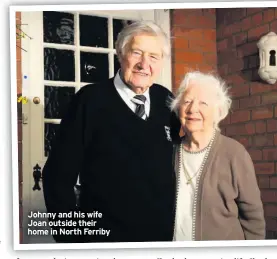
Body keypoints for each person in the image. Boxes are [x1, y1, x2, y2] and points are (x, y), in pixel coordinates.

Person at [42, 20, 181, 243]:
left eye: (154, 57)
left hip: (158, 239)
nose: (144, 64)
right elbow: (57, 177)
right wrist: (71, 238)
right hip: (103, 241)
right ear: (121, 54)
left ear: (162, 62)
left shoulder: (166, 100)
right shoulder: (89, 101)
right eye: (137, 53)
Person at [169, 71, 265, 241]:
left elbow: (253, 219)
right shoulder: (170, 151)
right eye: (188, 101)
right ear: (178, 108)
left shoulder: (234, 154)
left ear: (218, 112)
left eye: (203, 103)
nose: (193, 109)